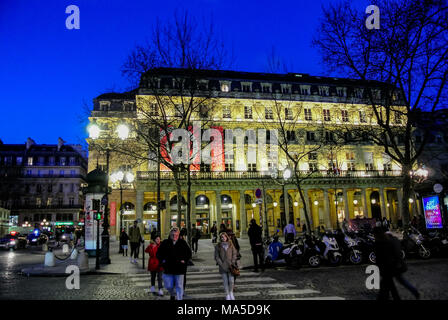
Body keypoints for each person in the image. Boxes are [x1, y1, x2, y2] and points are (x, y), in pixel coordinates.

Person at [373, 226, 420, 300]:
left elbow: (382, 257)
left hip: (390, 268)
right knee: (396, 283)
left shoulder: (381, 242)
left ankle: (413, 292)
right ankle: (413, 291)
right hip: (392, 267)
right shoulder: (392, 240)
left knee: (389, 285)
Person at [157, 227, 192, 301]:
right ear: (170, 234)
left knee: (179, 286)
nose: (174, 236)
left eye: (176, 235)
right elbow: (159, 253)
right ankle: (172, 294)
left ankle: (179, 298)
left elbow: (189, 253)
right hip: (168, 268)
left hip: (180, 268)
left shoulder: (182, 242)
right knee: (168, 286)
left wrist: (184, 260)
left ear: (178, 234)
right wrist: (162, 261)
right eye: (173, 235)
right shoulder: (165, 243)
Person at [214, 232, 238, 300]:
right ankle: (227, 294)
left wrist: (233, 261)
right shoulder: (218, 246)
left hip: (231, 266)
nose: (223, 238)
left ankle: (231, 293)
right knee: (225, 281)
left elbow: (234, 253)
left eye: (224, 237)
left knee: (231, 281)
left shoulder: (231, 244)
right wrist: (221, 264)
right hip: (223, 266)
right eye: (221, 237)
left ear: (227, 237)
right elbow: (216, 257)